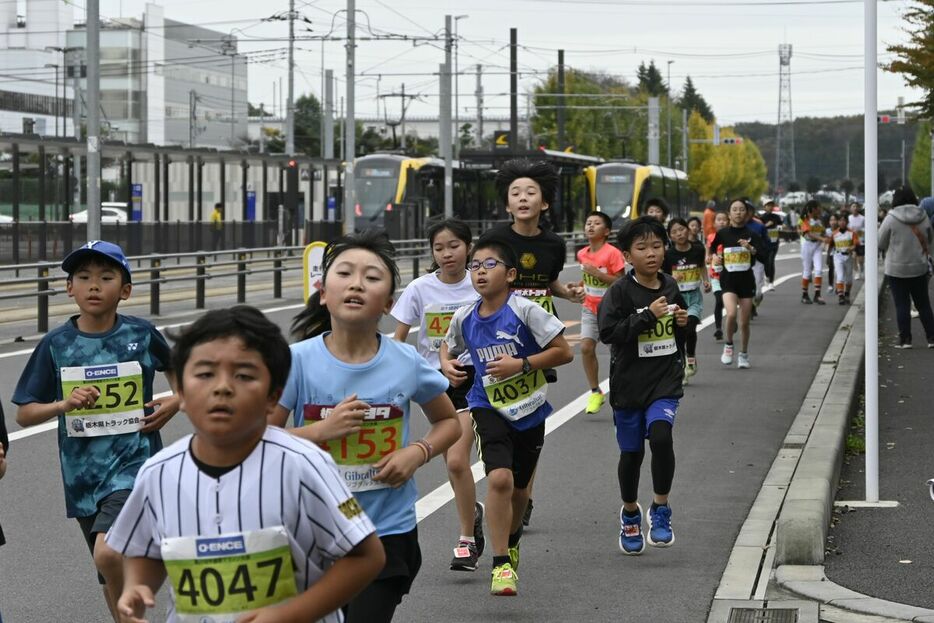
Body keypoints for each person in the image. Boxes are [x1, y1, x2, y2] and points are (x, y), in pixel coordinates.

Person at [107, 306, 386, 623]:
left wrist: (287, 615)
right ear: (181, 393)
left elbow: (366, 556)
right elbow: (146, 549)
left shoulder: (304, 464)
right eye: (205, 373)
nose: (223, 387)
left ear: (273, 397)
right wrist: (136, 585)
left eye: (243, 375)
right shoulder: (158, 472)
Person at [272, 230, 461, 622]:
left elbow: (448, 422)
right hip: (312, 529)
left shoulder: (405, 361)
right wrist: (318, 432)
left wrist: (418, 452)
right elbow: (258, 439)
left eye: (372, 277)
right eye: (344, 273)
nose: (357, 283)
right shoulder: (296, 362)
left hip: (386, 531)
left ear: (389, 304)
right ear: (324, 293)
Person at [12, 240, 180, 621]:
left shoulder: (140, 333)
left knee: (108, 552)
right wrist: (63, 405)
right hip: (82, 476)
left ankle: (157, 565)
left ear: (124, 290)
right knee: (106, 573)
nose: (93, 285)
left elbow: (183, 373)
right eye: (83, 277)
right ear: (69, 288)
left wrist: (176, 401)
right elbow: (24, 413)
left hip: (133, 464)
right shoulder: (57, 344)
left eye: (105, 277)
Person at [441, 239, 573, 595]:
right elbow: (447, 344)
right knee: (498, 479)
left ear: (511, 274)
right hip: (487, 405)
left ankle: (511, 540)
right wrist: (446, 364)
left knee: (519, 491)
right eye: (475, 266)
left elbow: (564, 351)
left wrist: (523, 363)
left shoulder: (527, 310)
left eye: (489, 265)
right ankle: (501, 566)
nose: (480, 272)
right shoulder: (465, 316)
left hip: (530, 408)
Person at [477, 159, 583, 527]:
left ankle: (525, 492)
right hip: (499, 339)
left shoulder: (554, 244)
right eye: (515, 193)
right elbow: (477, 282)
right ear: (507, 204)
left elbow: (548, 282)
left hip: (538, 342)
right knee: (499, 408)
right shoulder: (494, 241)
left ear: (545, 203)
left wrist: (566, 292)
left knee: (529, 412)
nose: (523, 198)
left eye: (531, 192)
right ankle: (504, 479)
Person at [390, 219, 485, 572]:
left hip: (473, 380)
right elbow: (397, 339)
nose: (447, 254)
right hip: (432, 386)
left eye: (454, 246)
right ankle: (472, 510)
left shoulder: (479, 286)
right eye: (439, 248)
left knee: (458, 461)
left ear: (469, 247)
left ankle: (466, 540)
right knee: (452, 462)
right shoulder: (420, 289)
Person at [598, 217, 689, 555]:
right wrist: (647, 316)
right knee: (632, 454)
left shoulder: (670, 285)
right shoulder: (620, 292)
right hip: (629, 386)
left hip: (663, 381)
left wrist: (682, 324)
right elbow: (609, 333)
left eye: (656, 246)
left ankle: (661, 509)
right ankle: (631, 513)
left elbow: (677, 335)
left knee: (662, 437)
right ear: (627, 255)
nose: (651, 254)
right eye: (642, 248)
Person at [576, 211, 626, 413]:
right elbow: (587, 279)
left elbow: (622, 282)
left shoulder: (612, 253)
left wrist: (598, 274)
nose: (590, 226)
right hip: (589, 307)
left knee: (618, 354)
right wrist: (578, 285)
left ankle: (620, 389)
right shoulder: (582, 253)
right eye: (588, 222)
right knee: (586, 347)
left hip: (612, 310)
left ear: (606, 231)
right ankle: (595, 391)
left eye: (596, 223)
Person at [709, 200, 765, 369]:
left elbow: (762, 254)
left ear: (747, 213)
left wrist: (750, 248)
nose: (738, 212)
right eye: (735, 210)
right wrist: (714, 257)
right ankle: (729, 344)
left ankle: (743, 354)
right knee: (731, 313)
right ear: (729, 213)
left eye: (742, 210)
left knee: (744, 322)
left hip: (746, 282)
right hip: (728, 280)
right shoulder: (723, 233)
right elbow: (712, 248)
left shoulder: (752, 234)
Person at [879, 186, 934, 349]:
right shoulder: (923, 215)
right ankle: (932, 338)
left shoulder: (891, 217)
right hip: (919, 266)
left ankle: (905, 340)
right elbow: (930, 239)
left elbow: (881, 241)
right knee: (923, 304)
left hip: (897, 269)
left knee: (901, 304)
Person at [663, 217, 710, 382]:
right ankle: (682, 366)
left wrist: (706, 280)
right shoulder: (668, 255)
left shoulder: (697, 249)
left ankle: (691, 359)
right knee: (679, 334)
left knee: (690, 328)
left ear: (688, 230)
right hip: (677, 298)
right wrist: (674, 277)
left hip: (694, 296)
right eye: (674, 232)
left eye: (681, 229)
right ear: (670, 236)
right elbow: (663, 277)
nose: (679, 233)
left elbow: (702, 266)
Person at [799, 200, 827, 305]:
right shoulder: (805, 220)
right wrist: (822, 238)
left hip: (817, 246)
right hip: (807, 245)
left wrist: (826, 237)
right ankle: (804, 295)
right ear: (813, 209)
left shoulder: (820, 221)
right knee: (807, 271)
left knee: (819, 270)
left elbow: (823, 232)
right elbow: (809, 234)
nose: (820, 209)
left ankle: (817, 295)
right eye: (818, 207)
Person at [707, 211, 729, 341]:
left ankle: (731, 320)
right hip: (715, 275)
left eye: (724, 219)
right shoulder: (711, 237)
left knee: (729, 301)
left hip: (729, 275)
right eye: (718, 219)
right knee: (719, 301)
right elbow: (708, 254)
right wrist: (710, 257)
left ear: (728, 221)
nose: (721, 222)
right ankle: (718, 328)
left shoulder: (731, 237)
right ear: (714, 223)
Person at [831, 213, 858, 305]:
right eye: (840, 220)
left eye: (844, 220)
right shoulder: (834, 234)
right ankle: (841, 296)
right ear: (838, 222)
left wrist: (851, 248)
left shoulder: (852, 233)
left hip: (848, 257)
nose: (842, 222)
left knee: (849, 279)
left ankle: (847, 293)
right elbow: (830, 246)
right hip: (838, 256)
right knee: (840, 276)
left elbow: (855, 244)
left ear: (847, 222)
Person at [759, 201, 784, 290]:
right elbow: (759, 229)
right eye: (768, 205)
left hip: (774, 242)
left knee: (771, 261)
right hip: (765, 243)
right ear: (764, 207)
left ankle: (771, 282)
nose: (770, 207)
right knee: (766, 262)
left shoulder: (776, 217)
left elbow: (781, 225)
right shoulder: (761, 218)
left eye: (771, 205)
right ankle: (767, 277)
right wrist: (766, 225)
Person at [848, 202, 866, 279]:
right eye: (853, 206)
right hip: (852, 241)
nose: (855, 208)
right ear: (851, 208)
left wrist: (860, 231)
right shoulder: (849, 218)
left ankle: (861, 268)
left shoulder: (863, 218)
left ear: (858, 208)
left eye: (856, 206)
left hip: (861, 240)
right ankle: (857, 272)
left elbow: (866, 228)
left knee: (861, 259)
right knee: (854, 257)